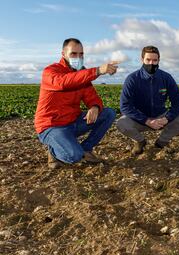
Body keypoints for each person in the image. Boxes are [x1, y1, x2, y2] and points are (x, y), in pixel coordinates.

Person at [34, 38, 119, 169]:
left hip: (73, 122)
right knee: (73, 156)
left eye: (81, 54)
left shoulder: (81, 74)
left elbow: (92, 97)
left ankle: (86, 149)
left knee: (108, 113)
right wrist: (97, 70)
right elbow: (64, 82)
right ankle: (54, 151)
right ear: (63, 54)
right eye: (73, 53)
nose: (78, 57)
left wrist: (95, 107)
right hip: (51, 126)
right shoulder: (51, 72)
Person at [116, 45, 179, 155]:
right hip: (140, 119)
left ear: (158, 60)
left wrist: (167, 118)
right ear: (142, 59)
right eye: (148, 60)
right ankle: (140, 141)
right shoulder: (132, 79)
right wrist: (146, 120)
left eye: (155, 60)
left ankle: (162, 141)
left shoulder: (166, 78)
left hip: (160, 116)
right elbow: (125, 106)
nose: (151, 63)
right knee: (121, 123)